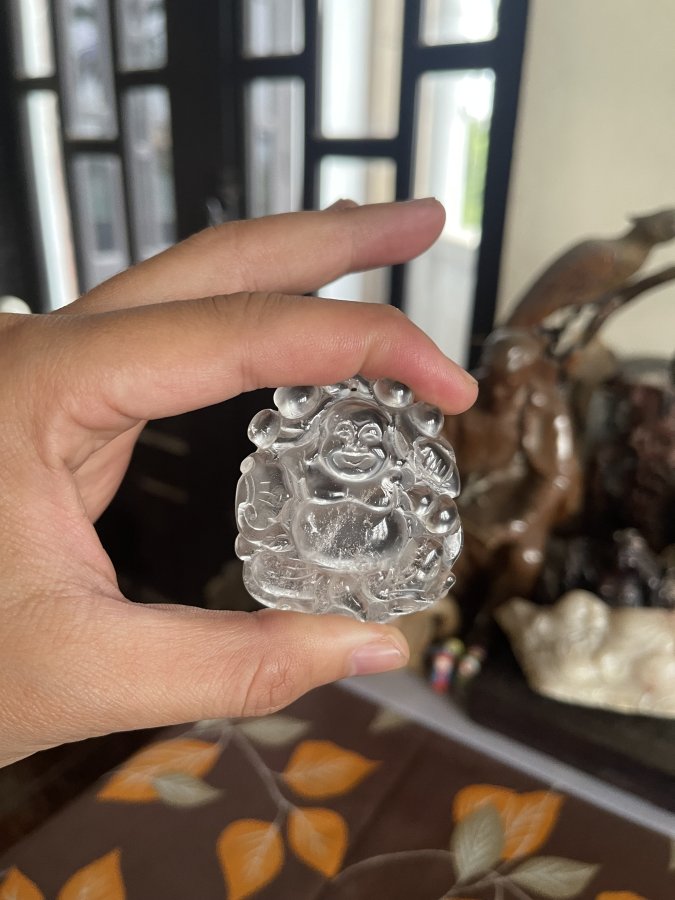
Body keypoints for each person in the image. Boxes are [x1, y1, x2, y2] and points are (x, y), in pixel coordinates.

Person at [0, 198, 478, 768]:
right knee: (275, 556)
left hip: (381, 570)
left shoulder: (403, 479)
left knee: (416, 554)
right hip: (305, 567)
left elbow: (431, 515)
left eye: (369, 438)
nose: (355, 446)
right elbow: (265, 510)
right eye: (343, 436)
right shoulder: (297, 469)